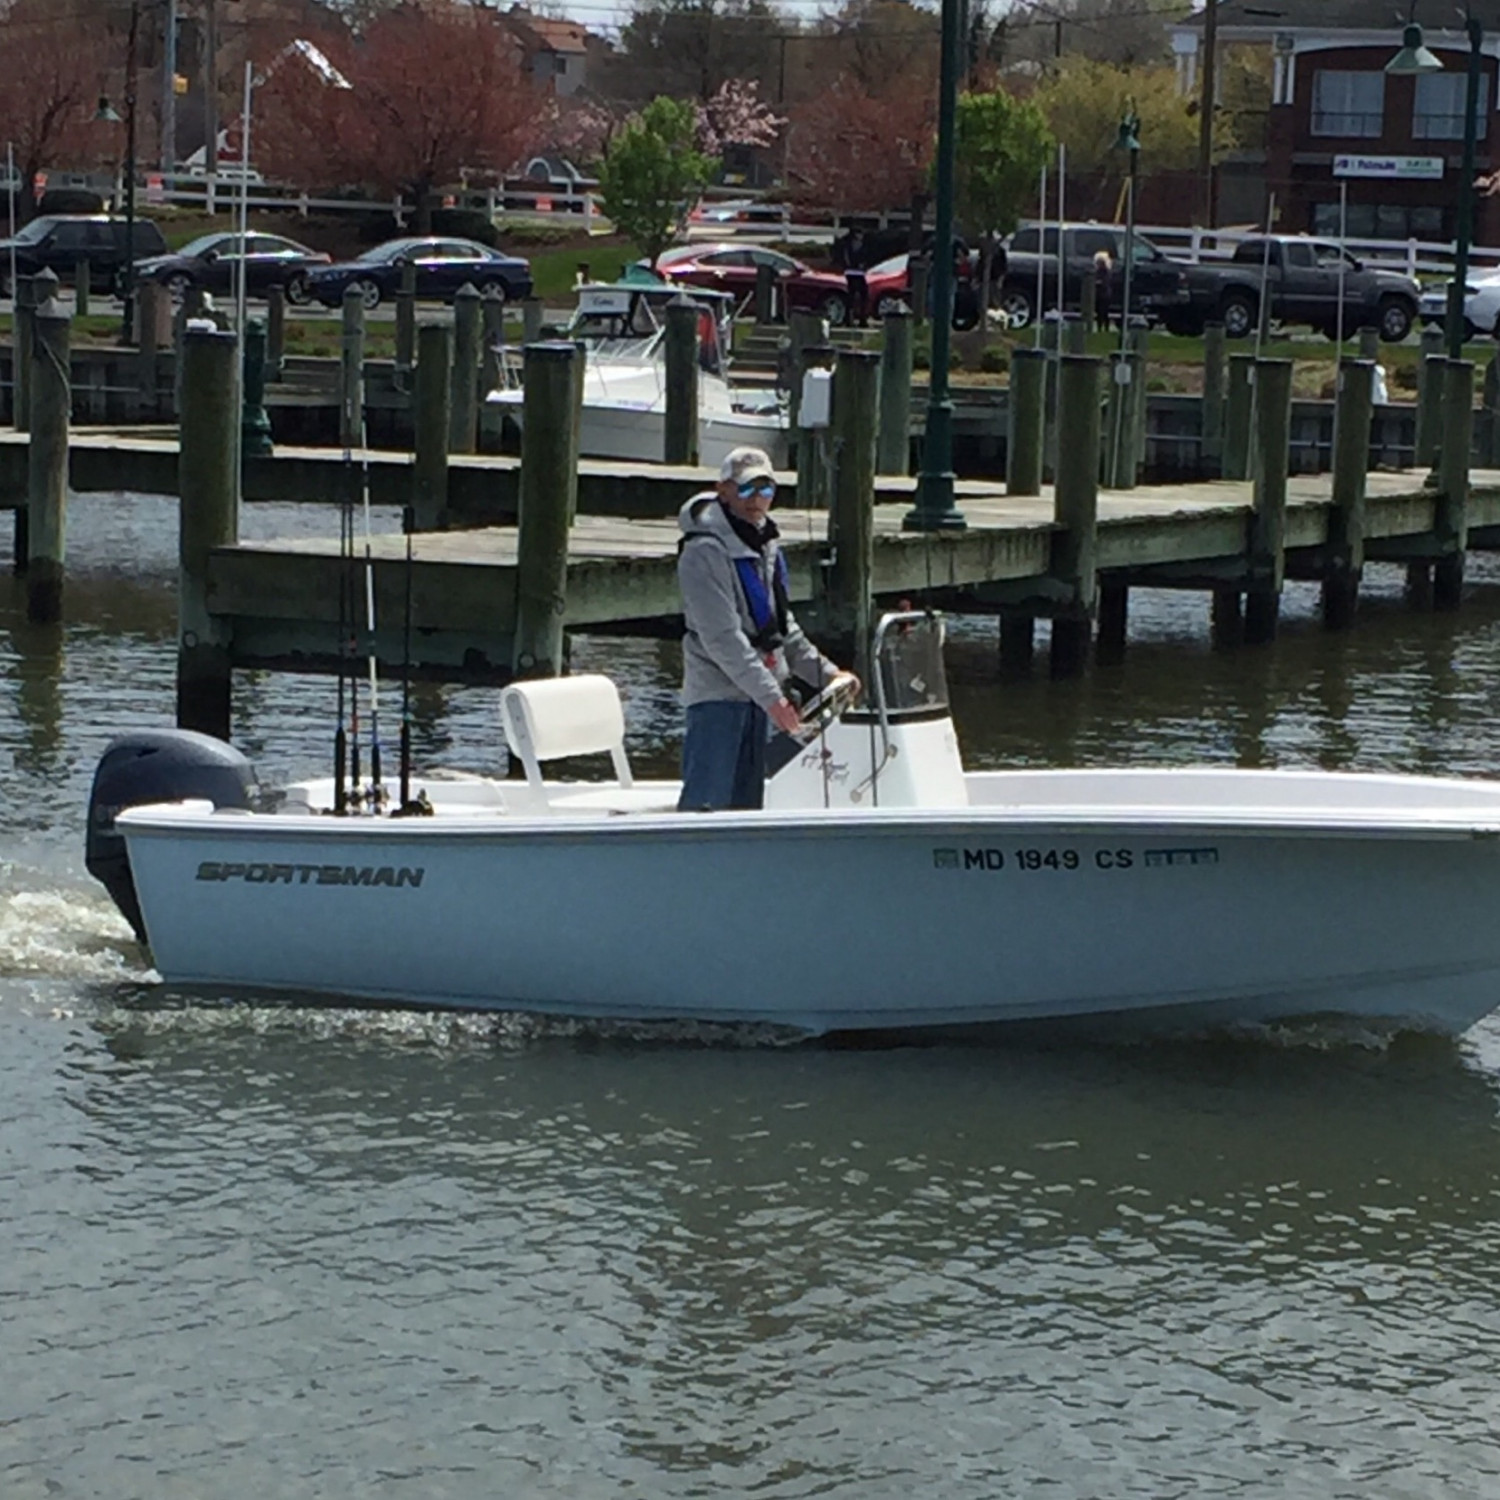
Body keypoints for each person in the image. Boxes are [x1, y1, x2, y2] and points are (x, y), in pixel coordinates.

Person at [676, 447, 853, 811]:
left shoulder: (765, 542)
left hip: (759, 697)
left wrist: (829, 675)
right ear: (723, 491)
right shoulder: (702, 552)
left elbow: (781, 627)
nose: (756, 500)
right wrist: (774, 699)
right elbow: (723, 639)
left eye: (765, 490)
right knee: (707, 806)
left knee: (748, 807)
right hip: (718, 698)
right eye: (745, 490)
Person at [1093, 250, 1113, 332]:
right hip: (1099, 294)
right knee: (1099, 313)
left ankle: (1105, 328)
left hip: (1104, 295)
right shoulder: (1097, 272)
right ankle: (1100, 328)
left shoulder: (1106, 272)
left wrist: (1098, 282)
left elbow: (1105, 282)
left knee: (1104, 313)